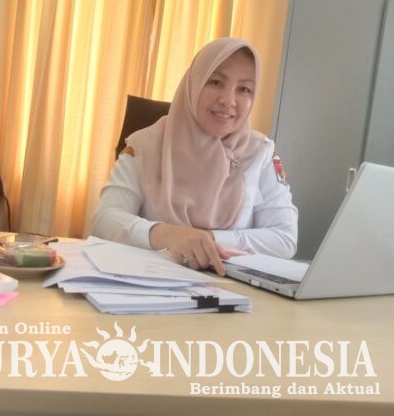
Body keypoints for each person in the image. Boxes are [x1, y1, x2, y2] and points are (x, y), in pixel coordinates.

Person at [92, 37, 298, 275]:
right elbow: (104, 221)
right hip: (151, 283)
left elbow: (284, 238)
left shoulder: (260, 153)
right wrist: (167, 235)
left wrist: (207, 239)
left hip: (230, 290)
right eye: (216, 82)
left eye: (244, 89)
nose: (228, 100)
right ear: (194, 83)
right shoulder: (144, 146)